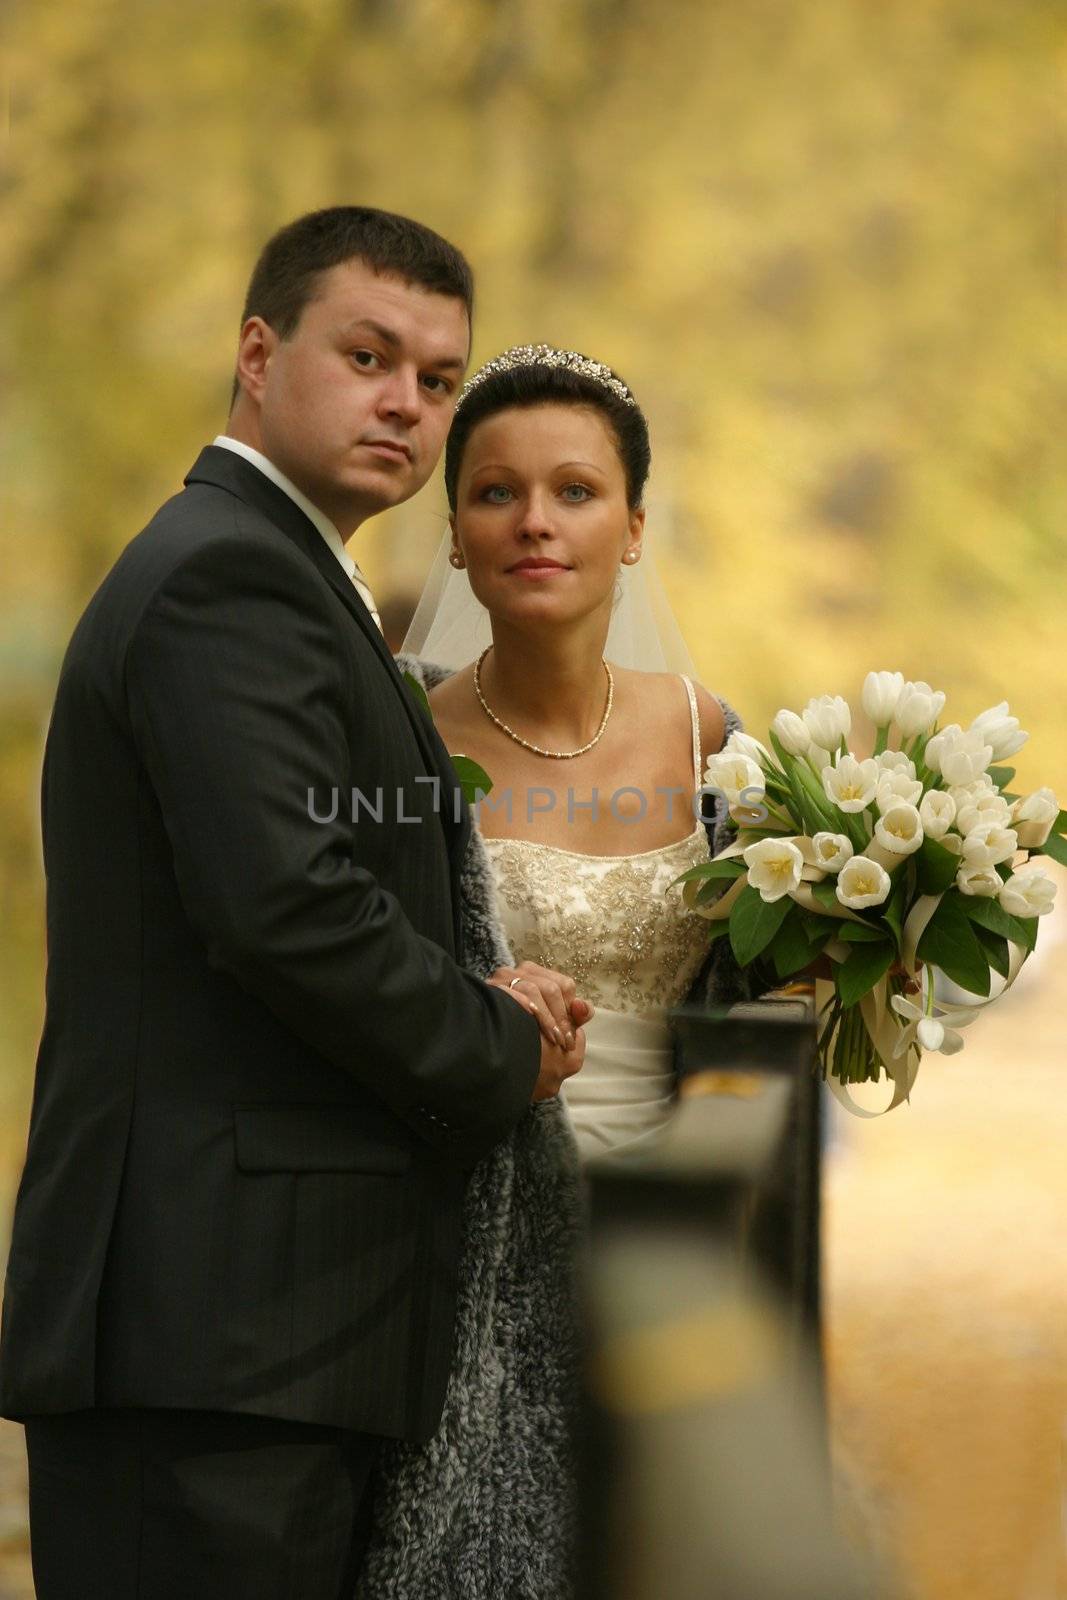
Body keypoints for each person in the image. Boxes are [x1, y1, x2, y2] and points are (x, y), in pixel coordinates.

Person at [0, 214, 590, 1599]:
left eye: (437, 381)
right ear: (259, 355)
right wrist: (498, 1043)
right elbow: (287, 906)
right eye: (368, 355)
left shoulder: (285, 578)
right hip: (209, 1337)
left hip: (259, 1336)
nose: (406, 402)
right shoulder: (229, 574)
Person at [358, 346, 766, 1599]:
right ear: (457, 533)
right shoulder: (393, 742)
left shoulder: (714, 741)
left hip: (672, 1233)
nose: (534, 521)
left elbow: (771, 1000)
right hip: (442, 1238)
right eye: (495, 493)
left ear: (634, 526)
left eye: (575, 491)